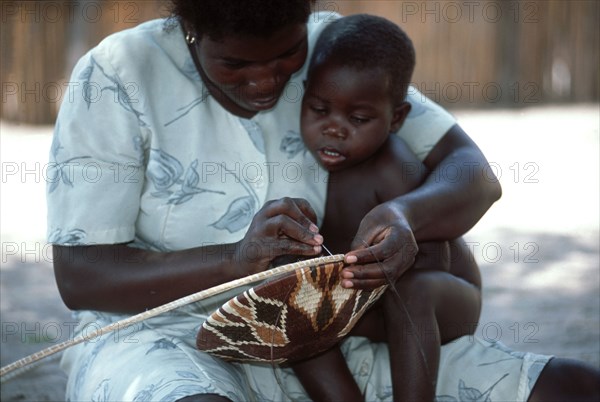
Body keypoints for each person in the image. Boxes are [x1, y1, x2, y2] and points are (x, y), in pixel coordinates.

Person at [46, 0, 598, 401]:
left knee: (574, 388)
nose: (266, 83)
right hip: (167, 342)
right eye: (235, 65)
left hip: (337, 334)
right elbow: (81, 275)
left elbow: (472, 173)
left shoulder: (336, 47)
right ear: (189, 28)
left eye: (287, 57)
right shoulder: (118, 75)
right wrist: (234, 261)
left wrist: (405, 215)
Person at [290, 14, 481, 402]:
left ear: (396, 119)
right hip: (372, 300)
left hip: (439, 298)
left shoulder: (391, 168)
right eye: (319, 109)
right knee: (292, 306)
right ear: (305, 94)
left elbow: (432, 261)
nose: (335, 128)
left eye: (358, 118)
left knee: (411, 292)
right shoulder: (305, 167)